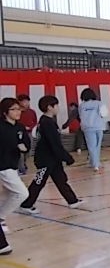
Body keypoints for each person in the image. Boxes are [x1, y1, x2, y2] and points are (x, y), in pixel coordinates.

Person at [18, 96, 83, 215]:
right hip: (45, 159)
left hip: (53, 158)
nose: (58, 108)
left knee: (61, 179)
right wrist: (67, 158)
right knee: (39, 182)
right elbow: (54, 143)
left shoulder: (49, 121)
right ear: (49, 107)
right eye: (56, 105)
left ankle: (72, 200)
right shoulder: (46, 122)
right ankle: (26, 204)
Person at [0, 98, 31, 255]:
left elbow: (26, 144)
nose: (18, 112)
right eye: (14, 109)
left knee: (10, 194)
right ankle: (1, 216)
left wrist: (24, 148)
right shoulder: (1, 127)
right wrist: (15, 146)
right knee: (22, 193)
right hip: (3, 166)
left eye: (19, 109)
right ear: (5, 112)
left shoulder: (19, 127)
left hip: (13, 166)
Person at [78, 88, 108, 172]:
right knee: (97, 146)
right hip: (98, 126)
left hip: (87, 127)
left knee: (91, 146)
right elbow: (104, 114)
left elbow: (81, 116)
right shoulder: (99, 103)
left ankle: (94, 163)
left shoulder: (82, 106)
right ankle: (96, 163)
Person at [17, 94, 37, 175]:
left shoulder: (32, 112)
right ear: (19, 102)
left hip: (29, 133)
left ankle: (23, 164)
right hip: (19, 133)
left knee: (28, 150)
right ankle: (21, 168)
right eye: (24, 101)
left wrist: (30, 127)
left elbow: (35, 121)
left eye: (27, 101)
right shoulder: (17, 112)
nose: (26, 103)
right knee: (20, 151)